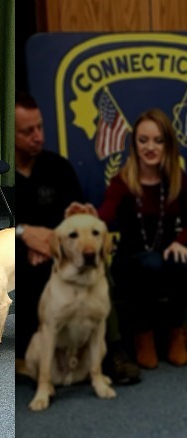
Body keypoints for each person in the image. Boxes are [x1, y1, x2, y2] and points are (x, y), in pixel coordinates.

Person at [14, 91, 140, 384]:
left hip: (60, 254)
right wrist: (24, 235)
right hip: (16, 253)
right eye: (27, 131)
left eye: (40, 127)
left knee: (95, 260)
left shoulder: (58, 167)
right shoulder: (2, 173)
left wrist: (76, 219)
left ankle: (114, 351)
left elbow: (75, 222)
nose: (37, 136)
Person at [94, 108, 187, 369]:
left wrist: (181, 241)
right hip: (130, 260)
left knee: (179, 263)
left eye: (158, 140)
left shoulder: (178, 180)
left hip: (169, 254)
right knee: (151, 263)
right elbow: (104, 215)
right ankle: (142, 335)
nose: (150, 147)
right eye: (143, 140)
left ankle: (177, 331)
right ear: (134, 144)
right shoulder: (123, 180)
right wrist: (87, 219)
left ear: (168, 143)